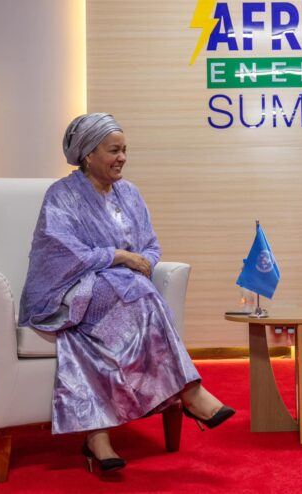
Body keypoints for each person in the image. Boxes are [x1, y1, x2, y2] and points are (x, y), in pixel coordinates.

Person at [19, 113, 234, 474]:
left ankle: (96, 436)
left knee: (124, 302)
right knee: (137, 289)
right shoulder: (62, 195)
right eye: (113, 150)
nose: (122, 157)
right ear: (88, 154)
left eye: (124, 150)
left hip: (122, 292)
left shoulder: (130, 193)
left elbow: (150, 245)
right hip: (69, 290)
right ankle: (188, 391)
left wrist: (142, 261)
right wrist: (119, 257)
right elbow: (59, 252)